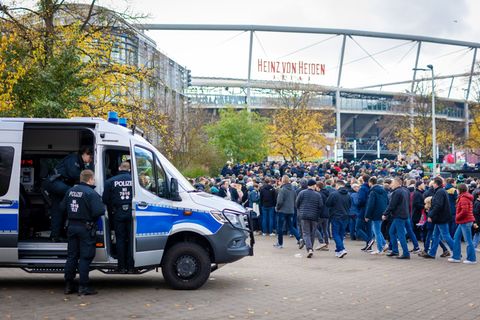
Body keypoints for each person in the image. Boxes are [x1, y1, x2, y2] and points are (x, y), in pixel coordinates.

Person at [62, 169, 105, 295]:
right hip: (86, 228)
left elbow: (62, 207)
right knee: (85, 257)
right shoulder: (91, 193)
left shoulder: (70, 191)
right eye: (93, 179)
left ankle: (68, 285)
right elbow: (99, 211)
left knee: (72, 256)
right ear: (90, 179)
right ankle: (83, 286)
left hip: (71, 227)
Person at [47, 146, 93, 242]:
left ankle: (56, 235)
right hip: (57, 183)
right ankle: (58, 235)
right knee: (75, 195)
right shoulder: (74, 159)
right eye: (90, 157)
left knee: (59, 210)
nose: (90, 160)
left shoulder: (79, 162)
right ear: (85, 153)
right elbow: (74, 174)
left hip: (60, 185)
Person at [102, 161, 134, 273]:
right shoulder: (135, 181)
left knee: (120, 239)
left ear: (120, 168)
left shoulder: (110, 181)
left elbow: (105, 199)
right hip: (132, 212)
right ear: (130, 169)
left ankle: (121, 267)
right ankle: (131, 267)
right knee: (131, 239)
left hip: (118, 213)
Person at [422, 177, 455, 259]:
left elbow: (438, 205)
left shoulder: (439, 192)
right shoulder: (441, 191)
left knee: (445, 236)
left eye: (433, 183)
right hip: (440, 218)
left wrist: (430, 215)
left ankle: (456, 251)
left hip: (441, 218)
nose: (432, 185)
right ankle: (432, 253)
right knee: (435, 236)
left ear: (436, 184)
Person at [382, 177, 411, 259]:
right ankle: (395, 251)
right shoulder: (404, 190)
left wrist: (385, 214)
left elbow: (392, 205)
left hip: (399, 215)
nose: (391, 184)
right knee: (392, 232)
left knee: (400, 234)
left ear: (397, 183)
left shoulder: (397, 192)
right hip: (402, 214)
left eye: (393, 183)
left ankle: (405, 253)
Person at [449, 183, 477, 264]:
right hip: (464, 221)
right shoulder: (464, 197)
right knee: (456, 238)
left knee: (468, 240)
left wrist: (457, 217)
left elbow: (464, 211)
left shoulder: (463, 198)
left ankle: (471, 259)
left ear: (459, 190)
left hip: (465, 221)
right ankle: (456, 257)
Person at [296, 179, 323, 258]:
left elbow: (297, 203)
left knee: (306, 233)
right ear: (314, 185)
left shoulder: (302, 193)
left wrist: (300, 210)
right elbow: (321, 206)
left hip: (304, 215)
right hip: (314, 216)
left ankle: (309, 249)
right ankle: (310, 248)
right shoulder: (318, 195)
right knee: (312, 233)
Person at [274, 175, 304, 249]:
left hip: (282, 211)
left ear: (283, 181)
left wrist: (277, 208)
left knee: (280, 227)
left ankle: (280, 243)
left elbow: (280, 201)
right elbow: (295, 200)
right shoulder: (293, 190)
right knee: (291, 226)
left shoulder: (282, 190)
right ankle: (299, 239)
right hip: (290, 210)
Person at [326, 180, 351, 258]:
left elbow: (327, 203)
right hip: (346, 216)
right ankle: (338, 250)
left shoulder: (334, 194)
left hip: (336, 216)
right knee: (340, 234)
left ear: (337, 185)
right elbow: (350, 205)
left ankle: (341, 249)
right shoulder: (348, 195)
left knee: (335, 234)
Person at [365, 177, 388, 255]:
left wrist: (367, 215)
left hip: (375, 214)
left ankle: (380, 249)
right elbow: (387, 202)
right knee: (377, 230)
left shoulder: (373, 192)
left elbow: (370, 205)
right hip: (382, 212)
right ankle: (384, 244)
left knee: (377, 231)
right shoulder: (384, 191)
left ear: (371, 182)